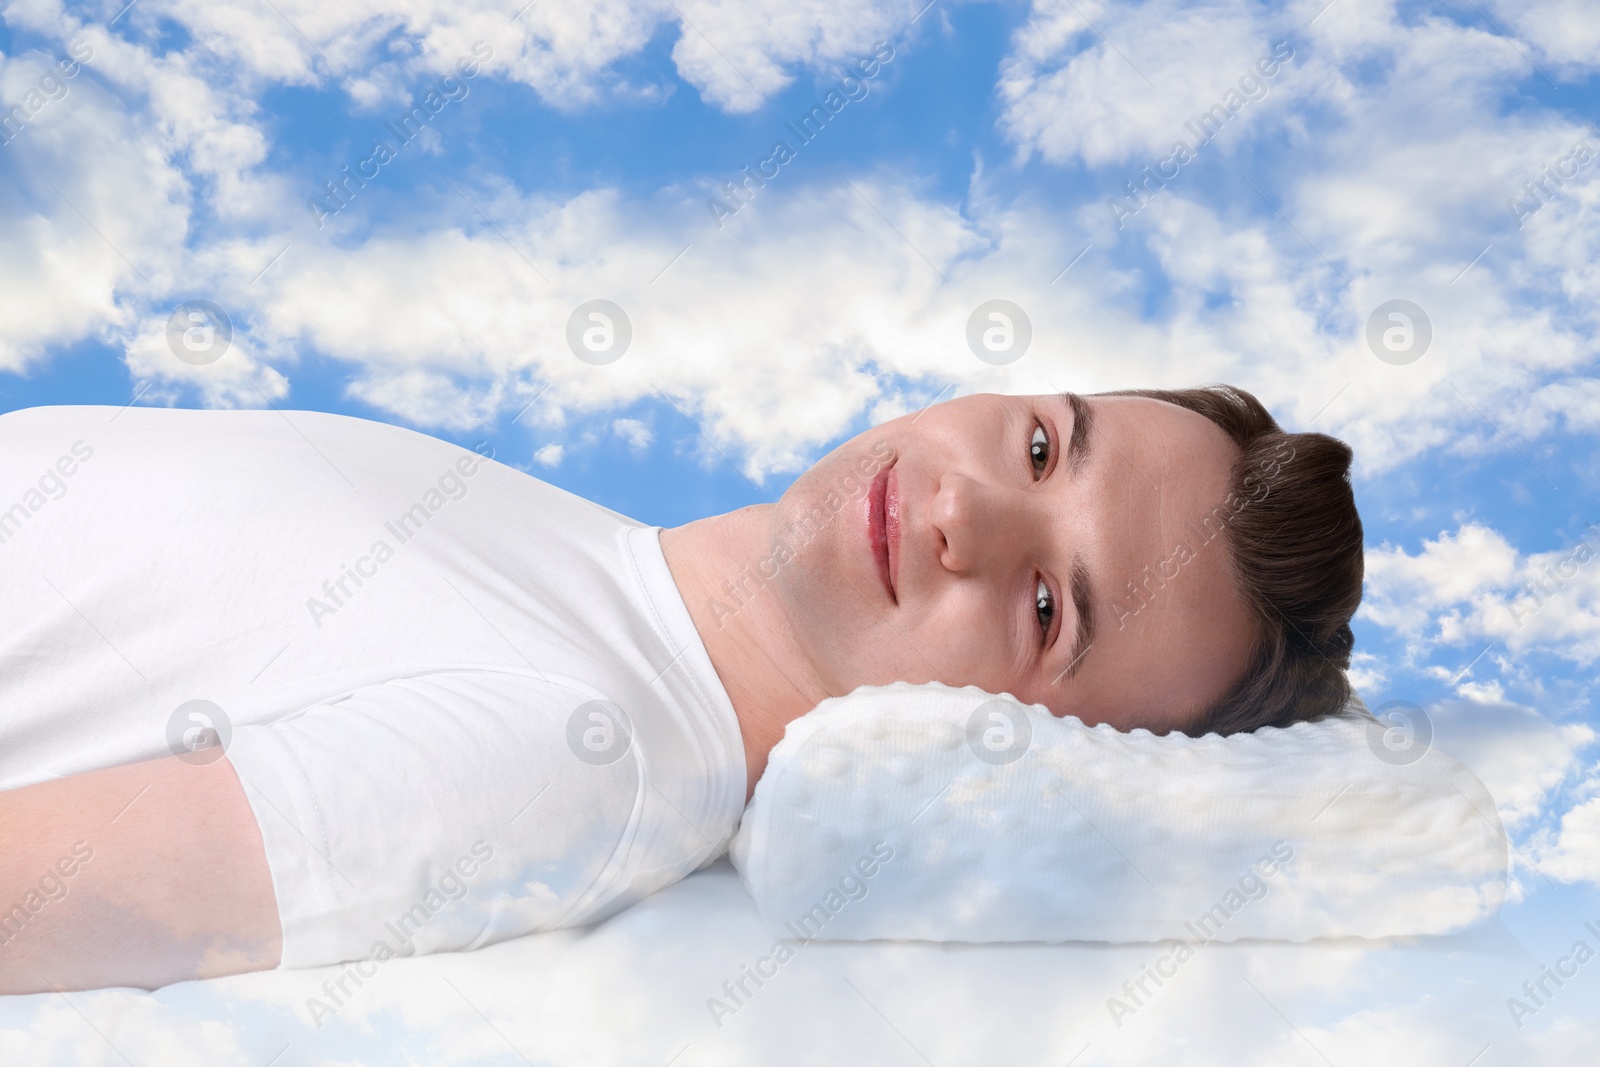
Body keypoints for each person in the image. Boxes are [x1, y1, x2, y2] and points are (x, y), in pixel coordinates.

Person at [0, 385, 1362, 995]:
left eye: (1051, 606)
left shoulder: (583, 760)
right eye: (1043, 442)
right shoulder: (590, 560)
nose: (969, 510)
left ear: (1013, 747)